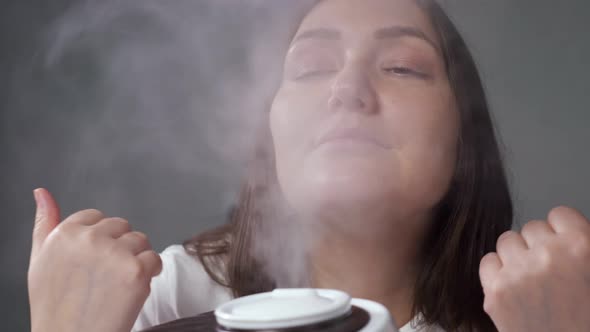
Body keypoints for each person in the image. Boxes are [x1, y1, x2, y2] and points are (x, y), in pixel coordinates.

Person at [27, 1, 590, 332]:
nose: (347, 90)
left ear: (466, 141)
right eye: (311, 67)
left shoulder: (544, 311)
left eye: (401, 67)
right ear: (269, 139)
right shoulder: (161, 301)